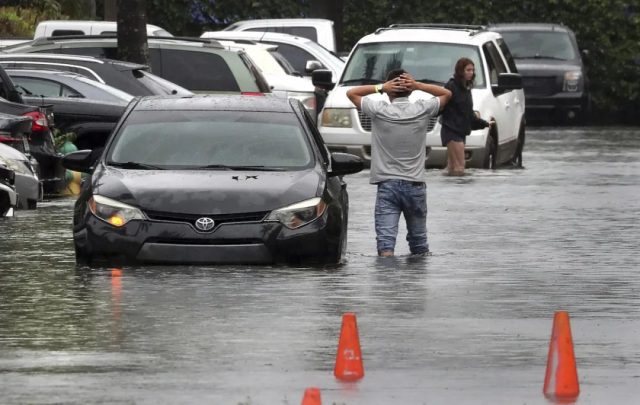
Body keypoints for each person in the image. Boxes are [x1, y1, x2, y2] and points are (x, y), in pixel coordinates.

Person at [347, 69, 451, 257]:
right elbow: (446, 94)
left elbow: (351, 93)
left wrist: (380, 87)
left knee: (386, 247)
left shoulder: (378, 110)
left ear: (389, 90)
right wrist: (418, 85)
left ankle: (386, 285)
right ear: (410, 90)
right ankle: (418, 284)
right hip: (415, 186)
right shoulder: (422, 109)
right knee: (419, 245)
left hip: (387, 186)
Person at [441, 57, 492, 176]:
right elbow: (442, 106)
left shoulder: (466, 88)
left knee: (452, 166)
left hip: (460, 130)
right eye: (468, 70)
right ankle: (459, 192)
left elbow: (468, 114)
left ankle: (450, 190)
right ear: (460, 71)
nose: (471, 73)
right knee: (459, 166)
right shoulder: (451, 86)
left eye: (472, 70)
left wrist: (485, 123)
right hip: (451, 130)